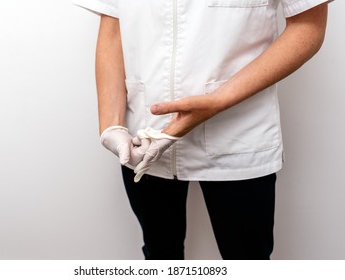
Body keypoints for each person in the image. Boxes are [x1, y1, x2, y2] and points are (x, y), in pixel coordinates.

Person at [73, 0, 333, 260]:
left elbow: (307, 26)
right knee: (159, 256)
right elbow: (113, 23)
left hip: (237, 134)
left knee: (248, 260)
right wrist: (111, 126)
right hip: (144, 138)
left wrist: (219, 100)